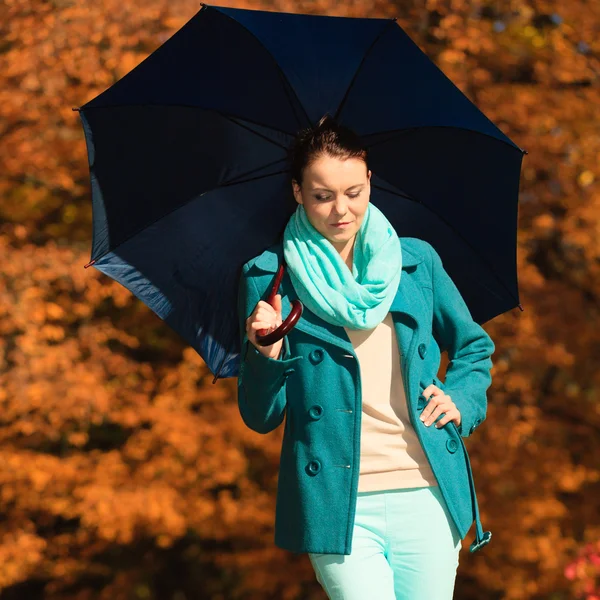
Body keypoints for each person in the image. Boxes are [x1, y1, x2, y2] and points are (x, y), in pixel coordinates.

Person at [237, 114, 495, 600]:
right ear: (296, 191)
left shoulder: (416, 262)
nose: (341, 210)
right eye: (322, 195)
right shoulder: (269, 278)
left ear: (370, 180)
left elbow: (474, 345)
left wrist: (461, 397)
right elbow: (260, 416)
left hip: (426, 488)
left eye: (354, 192)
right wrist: (266, 353)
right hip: (337, 504)